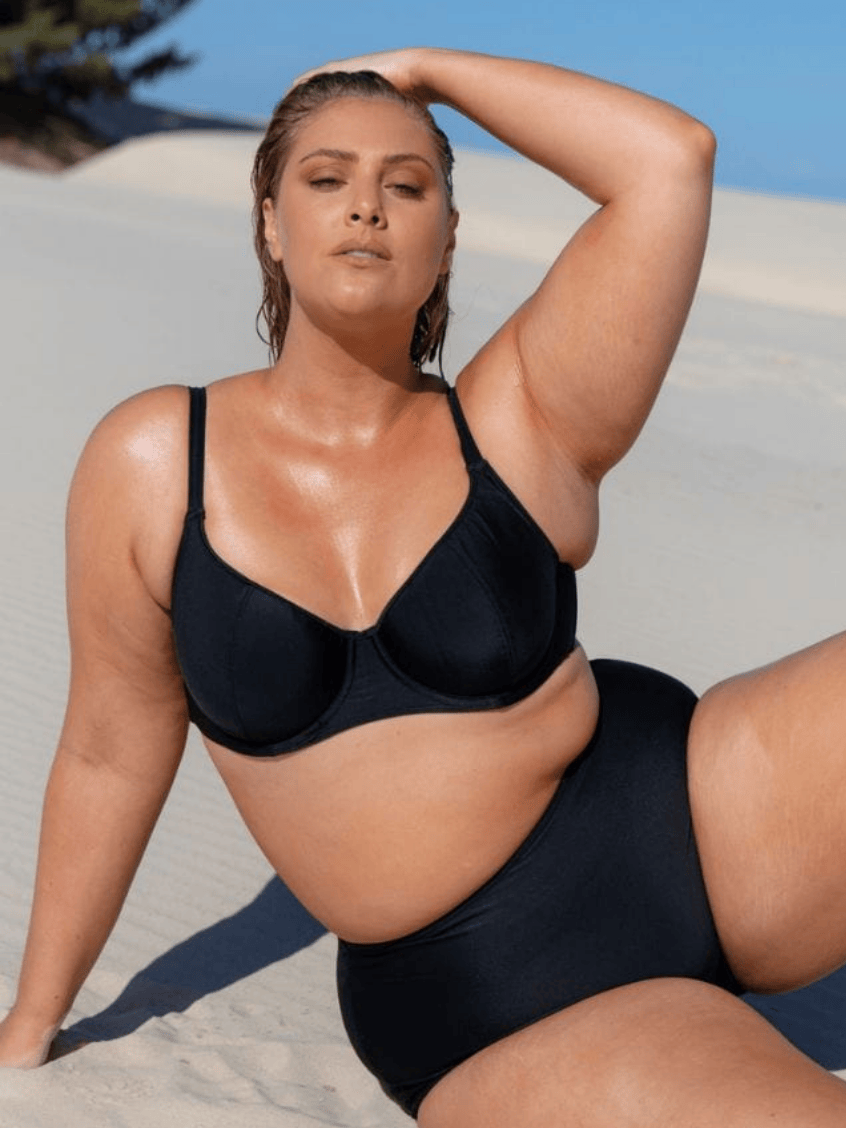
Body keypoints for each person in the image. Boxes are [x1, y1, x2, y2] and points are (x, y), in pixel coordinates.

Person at [2, 46, 846, 1127]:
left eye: (407, 186)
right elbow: (108, 752)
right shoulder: (160, 461)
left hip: (705, 822)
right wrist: (32, 1019)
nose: (367, 206)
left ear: (447, 239)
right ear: (270, 223)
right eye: (326, 179)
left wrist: (425, 71)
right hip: (490, 996)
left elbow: (669, 159)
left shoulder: (519, 418)